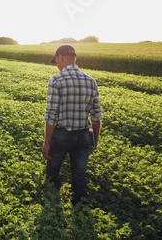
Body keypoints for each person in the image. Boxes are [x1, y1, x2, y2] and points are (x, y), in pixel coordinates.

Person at [42, 45, 102, 205]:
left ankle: (51, 207)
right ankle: (79, 208)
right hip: (83, 136)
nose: (56, 65)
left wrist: (47, 143)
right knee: (80, 175)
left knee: (53, 171)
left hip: (61, 136)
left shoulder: (56, 80)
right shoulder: (91, 81)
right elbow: (96, 116)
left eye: (56, 61)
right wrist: (94, 141)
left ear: (60, 58)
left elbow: (51, 115)